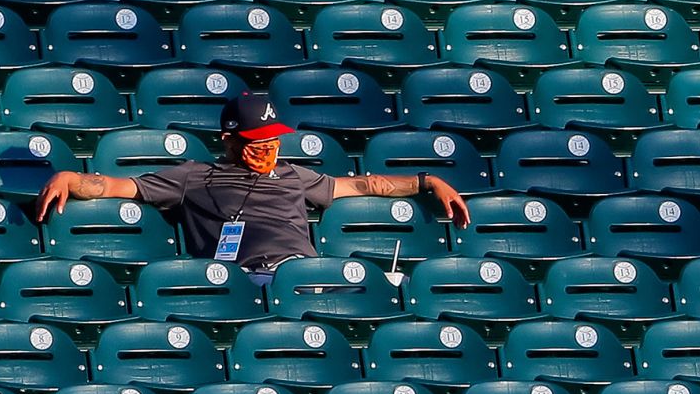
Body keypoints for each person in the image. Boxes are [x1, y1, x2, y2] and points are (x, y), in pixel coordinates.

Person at [36, 92, 471, 281]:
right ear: (229, 140)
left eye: (274, 139)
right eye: (257, 141)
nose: (269, 148)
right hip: (245, 279)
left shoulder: (295, 175)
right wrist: (72, 177)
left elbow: (363, 185)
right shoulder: (193, 176)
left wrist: (426, 181)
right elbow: (116, 185)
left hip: (307, 273)